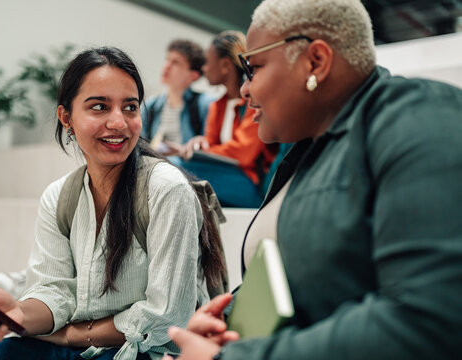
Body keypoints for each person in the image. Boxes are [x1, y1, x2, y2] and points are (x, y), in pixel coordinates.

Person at [163, 0, 462, 359]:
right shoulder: (307, 148)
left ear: (315, 61)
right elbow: (294, 280)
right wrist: (225, 323)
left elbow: (429, 320)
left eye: (253, 68)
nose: (245, 90)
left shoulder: (417, 118)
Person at [0, 46, 226, 360]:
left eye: (130, 107)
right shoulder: (59, 196)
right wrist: (18, 313)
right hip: (82, 346)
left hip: (143, 352)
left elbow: (164, 316)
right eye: (99, 107)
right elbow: (53, 291)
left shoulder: (165, 188)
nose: (119, 122)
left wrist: (71, 335)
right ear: (66, 117)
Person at [175, 31, 278, 208]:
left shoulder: (254, 103)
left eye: (208, 62)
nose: (204, 68)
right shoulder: (217, 106)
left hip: (250, 183)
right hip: (224, 177)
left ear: (224, 65)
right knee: (175, 167)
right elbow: (212, 144)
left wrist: (205, 151)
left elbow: (243, 154)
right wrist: (201, 144)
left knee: (175, 166)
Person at [141, 39, 215, 156]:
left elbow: (210, 147)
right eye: (167, 59)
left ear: (193, 76)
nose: (167, 66)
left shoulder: (206, 104)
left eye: (175, 62)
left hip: (188, 171)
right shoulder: (151, 105)